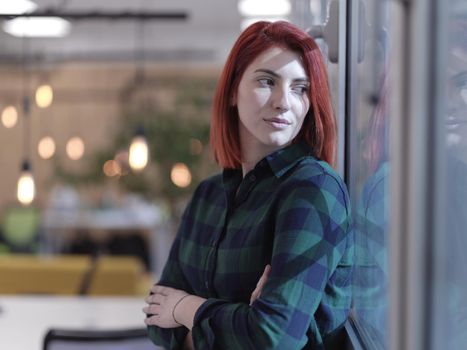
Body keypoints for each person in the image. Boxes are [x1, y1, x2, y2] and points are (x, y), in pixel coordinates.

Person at [143, 20, 353, 349]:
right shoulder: (208, 196)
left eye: (300, 88)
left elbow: (272, 336)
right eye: (267, 81)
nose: (284, 101)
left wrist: (185, 307)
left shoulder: (314, 190)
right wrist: (238, 323)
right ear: (231, 91)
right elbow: (156, 316)